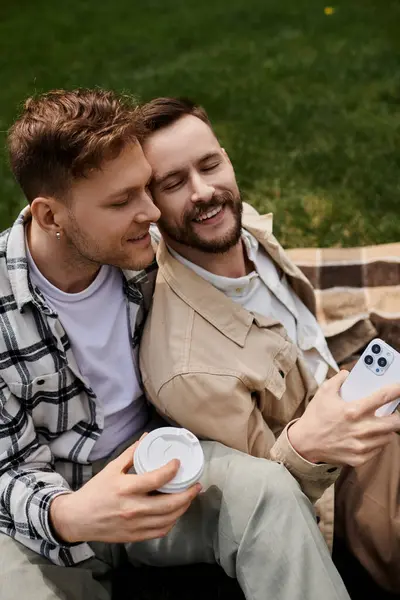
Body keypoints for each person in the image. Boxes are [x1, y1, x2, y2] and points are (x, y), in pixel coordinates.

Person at [0, 88, 351, 600]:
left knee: (268, 494)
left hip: (158, 467)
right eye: (122, 201)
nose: (153, 212)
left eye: (146, 187)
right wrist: (68, 513)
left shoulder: (143, 256)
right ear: (50, 217)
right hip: (43, 509)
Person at [138, 96, 400, 594]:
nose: (203, 192)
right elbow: (272, 500)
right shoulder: (189, 370)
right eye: (173, 183)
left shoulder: (243, 225)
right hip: (344, 486)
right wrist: (315, 442)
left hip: (355, 393)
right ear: (149, 206)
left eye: (210, 164)